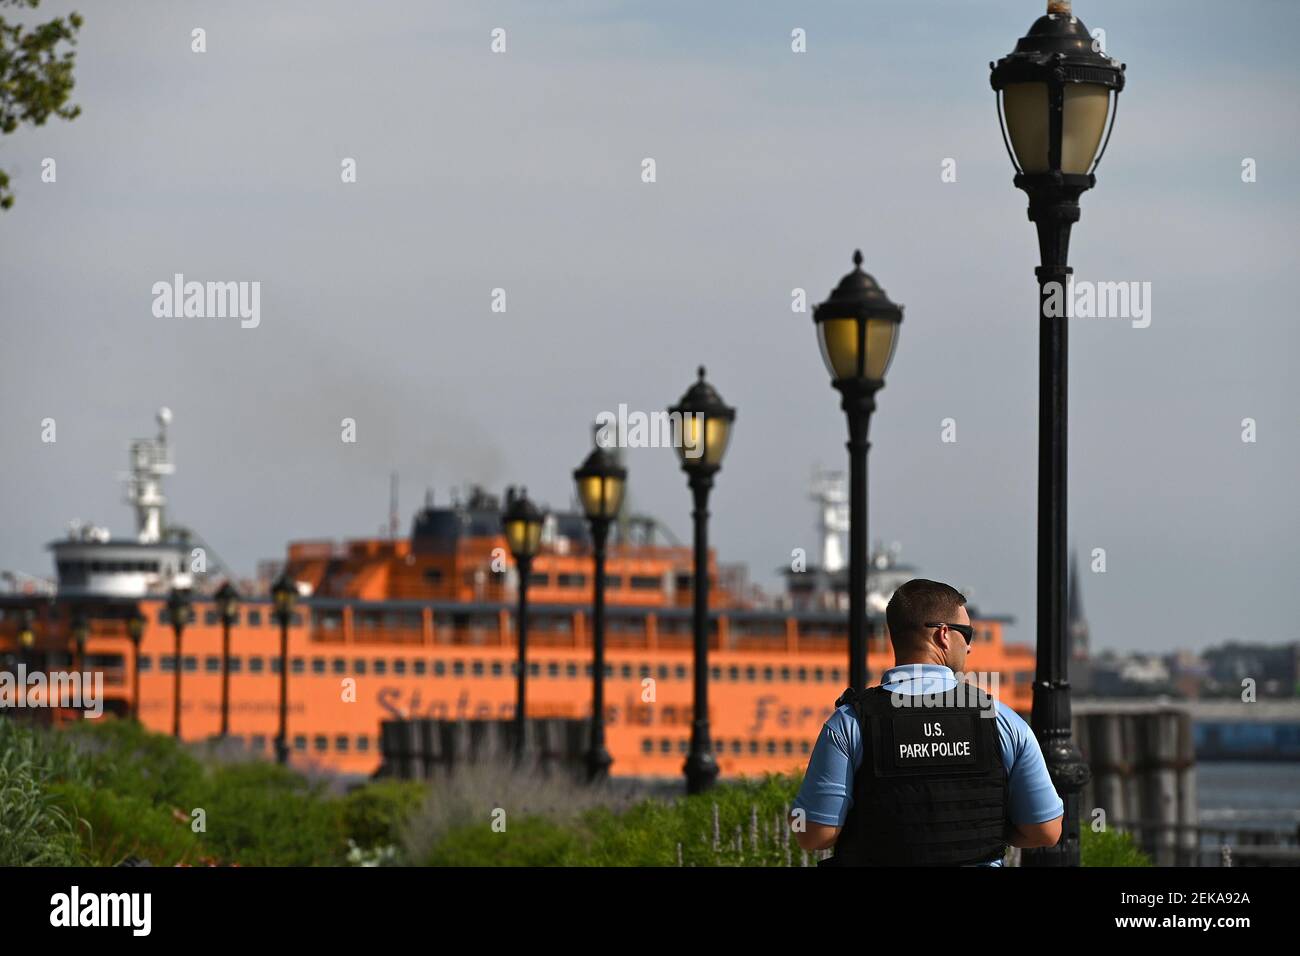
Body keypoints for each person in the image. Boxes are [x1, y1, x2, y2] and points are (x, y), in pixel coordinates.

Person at [789, 578, 1063, 866]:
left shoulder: (850, 723)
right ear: (943, 634)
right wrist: (988, 828)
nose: (969, 647)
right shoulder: (1002, 721)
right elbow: (1046, 830)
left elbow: (814, 836)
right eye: (967, 634)